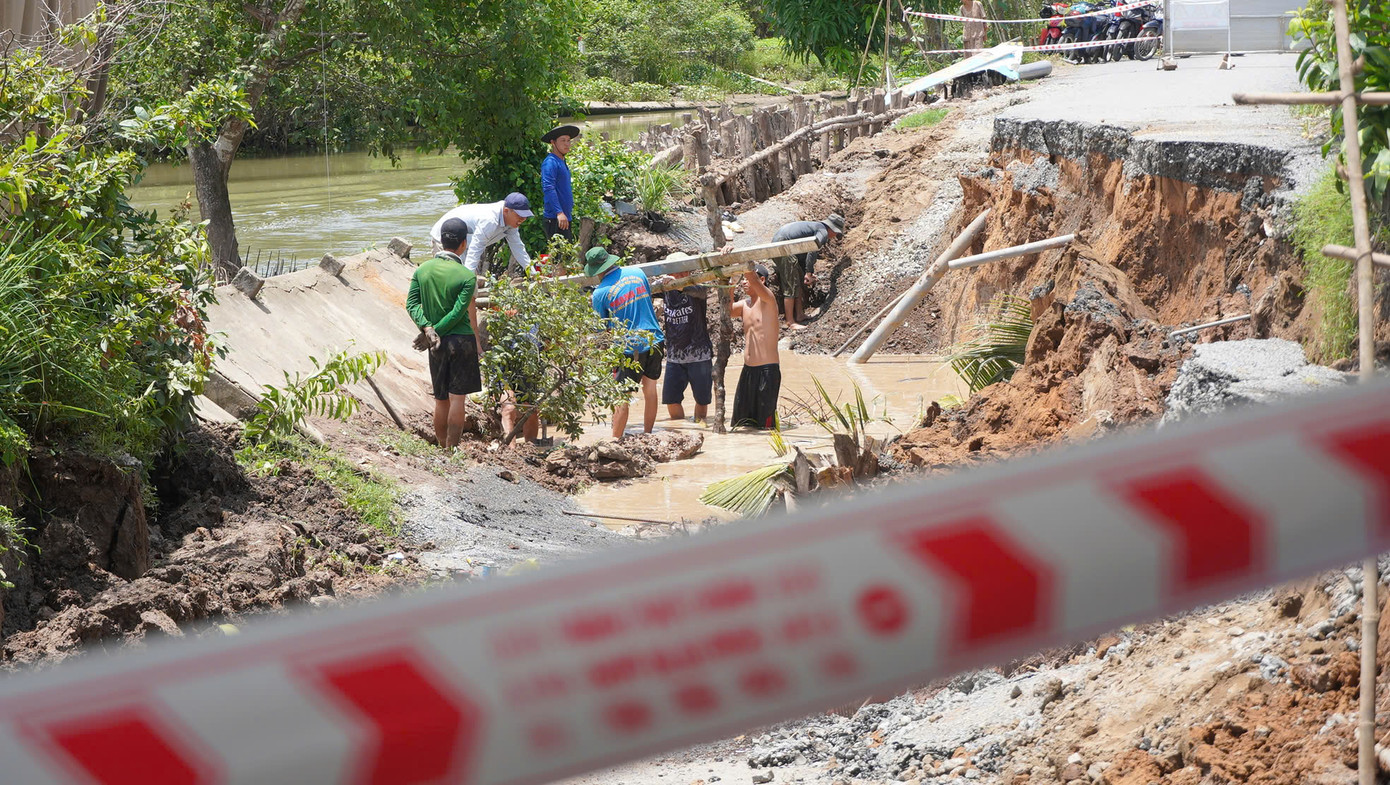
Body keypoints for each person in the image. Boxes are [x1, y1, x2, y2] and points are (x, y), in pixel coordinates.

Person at [405, 217, 481, 450]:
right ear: (463, 244)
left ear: (440, 241)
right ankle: (453, 448)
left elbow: (411, 304)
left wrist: (427, 329)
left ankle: (441, 447)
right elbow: (460, 313)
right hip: (462, 342)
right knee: (458, 399)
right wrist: (434, 330)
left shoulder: (422, 270)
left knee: (441, 399)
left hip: (435, 345)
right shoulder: (467, 276)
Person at [587, 246, 665, 438]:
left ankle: (615, 440)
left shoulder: (600, 293)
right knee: (650, 388)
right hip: (655, 337)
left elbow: (602, 331)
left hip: (630, 346)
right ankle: (648, 434)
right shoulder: (637, 273)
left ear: (597, 271)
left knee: (621, 395)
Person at [769, 213, 847, 330]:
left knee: (798, 280)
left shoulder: (816, 227)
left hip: (785, 246)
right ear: (832, 228)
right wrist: (809, 273)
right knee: (790, 284)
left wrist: (806, 273)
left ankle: (799, 315)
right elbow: (812, 248)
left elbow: (804, 254)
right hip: (782, 247)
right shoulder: (823, 231)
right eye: (836, 233)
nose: (834, 236)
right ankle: (790, 321)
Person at [652, 272, 712, 423]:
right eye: (674, 271)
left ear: (687, 272)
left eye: (681, 271)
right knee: (671, 399)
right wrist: (660, 282)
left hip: (699, 354)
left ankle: (699, 425)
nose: (677, 274)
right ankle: (680, 430)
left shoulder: (697, 284)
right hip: (674, 356)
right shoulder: (664, 287)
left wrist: (679, 285)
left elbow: (702, 291)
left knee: (702, 399)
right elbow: (645, 290)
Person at [430, 192, 534, 276]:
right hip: (445, 238)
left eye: (525, 216)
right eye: (519, 216)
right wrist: (468, 279)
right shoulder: (490, 220)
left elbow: (518, 248)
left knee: (466, 282)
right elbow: (476, 247)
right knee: (449, 278)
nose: (523, 219)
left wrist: (533, 273)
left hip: (464, 245)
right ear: (506, 211)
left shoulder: (511, 223)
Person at [730, 265, 782, 430]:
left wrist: (738, 260)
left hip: (767, 371)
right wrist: (731, 282)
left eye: (749, 279)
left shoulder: (768, 299)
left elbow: (752, 278)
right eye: (743, 279)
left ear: (762, 280)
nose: (745, 282)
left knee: (765, 428)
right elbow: (728, 309)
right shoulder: (745, 305)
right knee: (741, 424)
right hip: (747, 372)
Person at [541, 124, 579, 241]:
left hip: (565, 217)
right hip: (555, 218)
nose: (567, 144)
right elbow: (548, 188)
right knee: (559, 256)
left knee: (566, 255)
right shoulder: (550, 162)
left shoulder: (561, 161)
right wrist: (559, 212)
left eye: (568, 140)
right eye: (563, 140)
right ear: (553, 142)